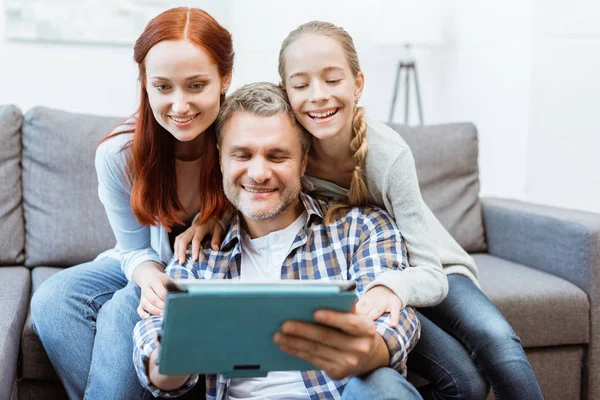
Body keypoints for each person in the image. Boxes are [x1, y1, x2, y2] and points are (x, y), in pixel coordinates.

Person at [277, 21, 544, 400]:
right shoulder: (286, 152)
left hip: (429, 268)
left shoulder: (388, 154)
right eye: (301, 85)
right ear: (285, 92)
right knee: (465, 381)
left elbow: (431, 274)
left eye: (332, 80)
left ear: (358, 84)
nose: (317, 96)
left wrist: (395, 287)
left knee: (495, 337)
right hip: (368, 275)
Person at [133, 82, 422, 400]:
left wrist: (367, 350)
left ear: (303, 160)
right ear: (219, 160)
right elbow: (154, 344)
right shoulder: (198, 252)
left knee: (383, 383)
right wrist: (173, 355)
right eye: (242, 155)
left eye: (277, 156)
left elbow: (395, 322)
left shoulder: (362, 229)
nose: (258, 173)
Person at [29, 7, 232, 399]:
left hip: (212, 270)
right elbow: (134, 250)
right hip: (148, 263)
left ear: (225, 78)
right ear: (144, 82)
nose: (179, 105)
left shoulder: (244, 139)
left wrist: (220, 216)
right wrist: (150, 278)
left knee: (125, 305)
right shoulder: (118, 153)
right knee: (53, 299)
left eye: (196, 85)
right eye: (162, 87)